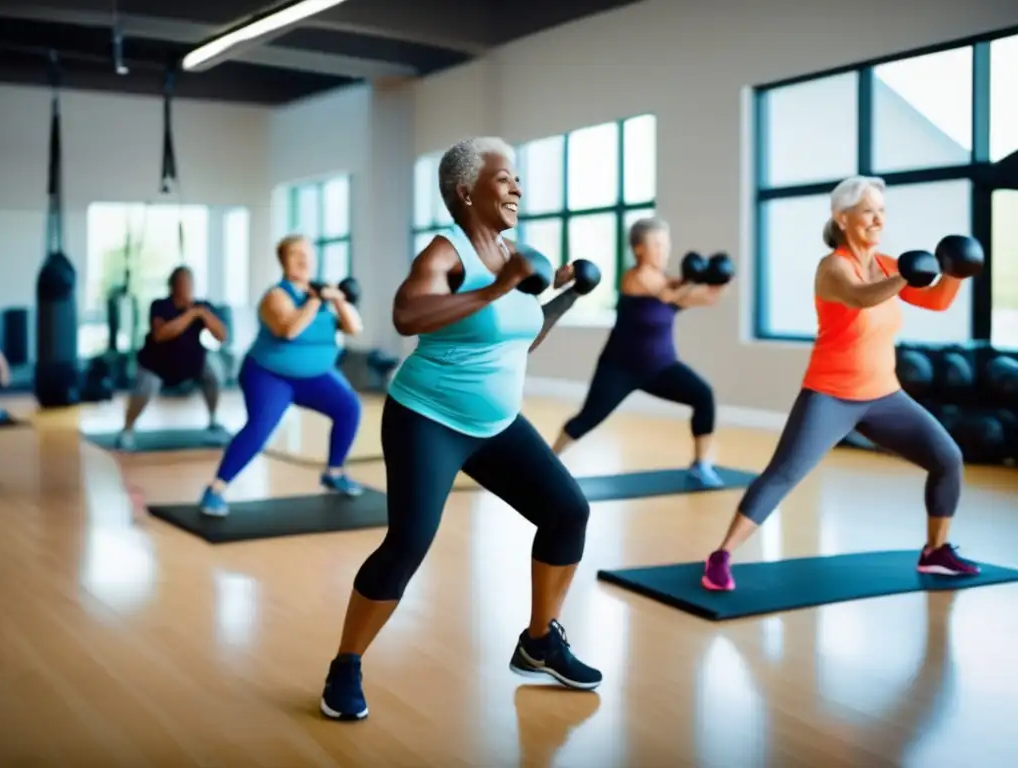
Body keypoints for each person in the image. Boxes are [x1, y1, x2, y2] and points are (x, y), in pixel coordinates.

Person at [319, 137, 601, 722]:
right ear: (466, 190)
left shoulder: (515, 252)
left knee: (567, 511)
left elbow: (520, 333)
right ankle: (345, 664)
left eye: (518, 179)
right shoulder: (446, 255)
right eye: (505, 179)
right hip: (428, 418)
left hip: (495, 423)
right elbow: (406, 315)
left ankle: (539, 641)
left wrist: (567, 294)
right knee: (408, 543)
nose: (518, 188)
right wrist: (497, 288)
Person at [702, 175, 979, 592]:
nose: (877, 219)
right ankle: (720, 557)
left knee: (947, 458)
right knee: (783, 474)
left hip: (884, 396)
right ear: (842, 218)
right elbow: (861, 298)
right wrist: (907, 275)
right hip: (830, 395)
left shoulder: (887, 263)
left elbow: (937, 300)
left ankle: (935, 552)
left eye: (882, 211)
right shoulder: (833, 267)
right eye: (869, 211)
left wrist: (956, 271)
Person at [552, 217, 727, 486]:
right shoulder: (634, 277)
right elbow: (668, 296)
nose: (664, 250)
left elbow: (709, 298)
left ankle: (701, 466)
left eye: (666, 244)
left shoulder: (671, 282)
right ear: (638, 249)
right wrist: (695, 279)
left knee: (703, 395)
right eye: (656, 244)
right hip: (619, 368)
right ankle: (549, 461)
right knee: (587, 419)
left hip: (661, 368)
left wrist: (720, 277)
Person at [198, 235, 365, 517]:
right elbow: (289, 330)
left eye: (306, 254)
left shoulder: (324, 294)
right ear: (283, 262)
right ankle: (215, 489)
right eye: (294, 254)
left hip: (315, 377)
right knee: (260, 428)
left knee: (349, 407)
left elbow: (354, 328)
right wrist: (315, 300)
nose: (302, 259)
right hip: (269, 375)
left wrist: (337, 300)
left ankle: (334, 472)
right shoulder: (276, 295)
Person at [117, 267, 228, 450]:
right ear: (172, 286)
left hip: (190, 364)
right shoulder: (160, 306)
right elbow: (161, 334)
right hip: (156, 364)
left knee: (213, 372)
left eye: (189, 283)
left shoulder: (202, 307)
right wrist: (191, 315)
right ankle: (127, 430)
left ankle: (213, 422)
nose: (186, 288)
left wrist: (203, 315)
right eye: (182, 283)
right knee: (146, 386)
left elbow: (222, 336)